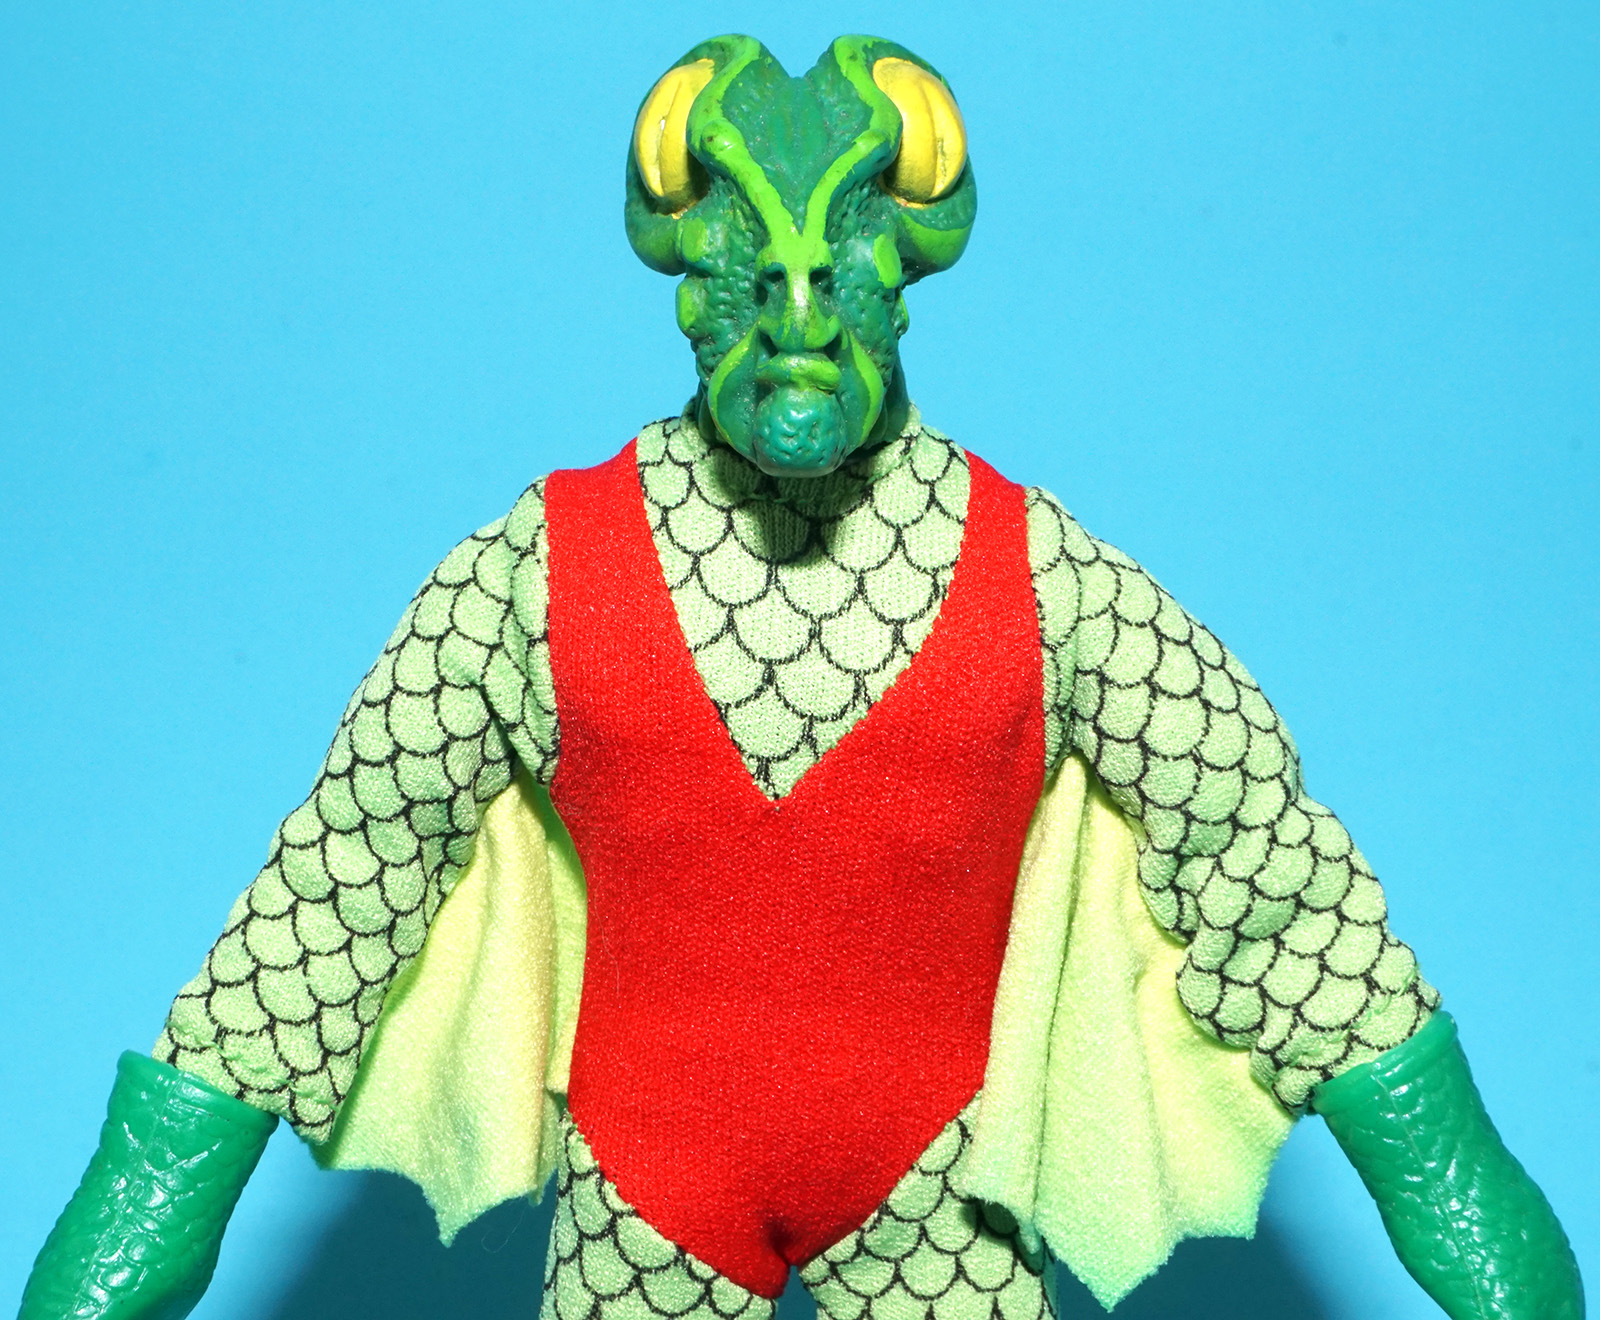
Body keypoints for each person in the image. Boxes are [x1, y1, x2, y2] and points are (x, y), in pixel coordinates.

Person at [20, 34, 1583, 1320]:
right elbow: (340, 882)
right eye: (752, 282)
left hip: (941, 1189)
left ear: (899, 276)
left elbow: (1268, 868)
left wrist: (1437, 1157)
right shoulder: (537, 576)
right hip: (643, 1190)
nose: (795, 323)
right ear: (691, 278)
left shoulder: (1047, 584)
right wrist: (166, 1172)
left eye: (837, 277)